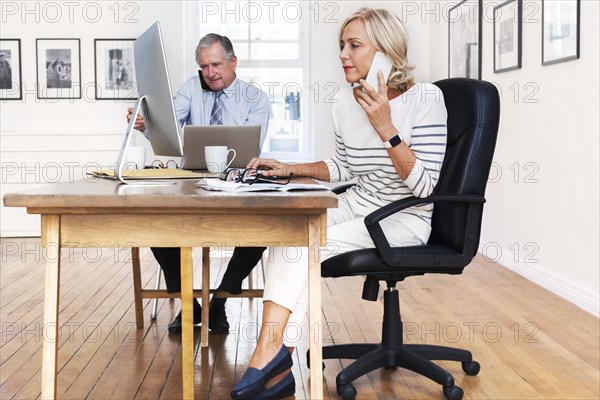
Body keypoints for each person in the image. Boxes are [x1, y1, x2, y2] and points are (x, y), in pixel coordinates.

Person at [230, 8, 448, 399]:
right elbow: (344, 166)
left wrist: (387, 129)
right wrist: (289, 169)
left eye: (354, 45)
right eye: (341, 46)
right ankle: (276, 362)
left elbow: (425, 187)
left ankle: (267, 358)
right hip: (360, 204)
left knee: (306, 251)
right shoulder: (345, 103)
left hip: (402, 218)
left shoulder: (426, 99)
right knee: (290, 238)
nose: (343, 54)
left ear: (386, 51)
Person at [127, 33, 269, 334]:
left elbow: (249, 149)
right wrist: (146, 124)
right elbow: (165, 127)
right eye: (203, 66)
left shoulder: (255, 98)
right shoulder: (191, 88)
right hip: (190, 180)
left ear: (233, 62)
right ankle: (189, 301)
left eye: (216, 64)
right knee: (156, 224)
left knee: (264, 228)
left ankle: (220, 300)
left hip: (237, 181)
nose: (210, 73)